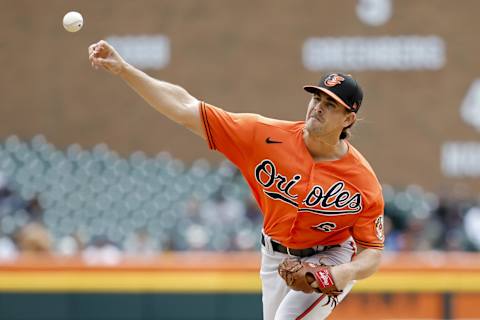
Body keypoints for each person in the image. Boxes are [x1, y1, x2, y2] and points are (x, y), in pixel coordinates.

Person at [88, 40, 384, 320]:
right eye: (317, 97)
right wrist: (125, 69)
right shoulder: (263, 136)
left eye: (331, 104)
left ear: (348, 119)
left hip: (332, 256)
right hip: (274, 258)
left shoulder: (362, 180)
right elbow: (184, 107)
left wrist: (341, 274)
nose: (318, 106)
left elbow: (372, 252)